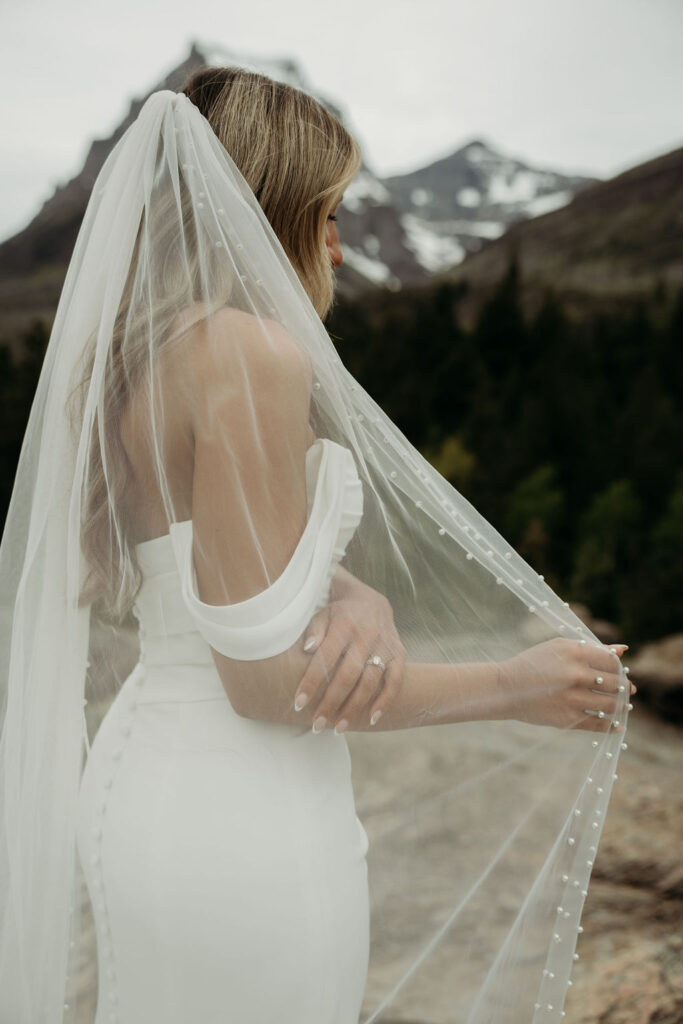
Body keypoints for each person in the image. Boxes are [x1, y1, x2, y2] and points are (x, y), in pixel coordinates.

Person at [0, 67, 635, 1024]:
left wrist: (350, 594)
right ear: (264, 211)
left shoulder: (137, 359)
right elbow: (266, 683)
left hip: (152, 778)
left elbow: (202, 567)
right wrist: (515, 686)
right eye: (326, 214)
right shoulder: (248, 353)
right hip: (237, 807)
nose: (337, 247)